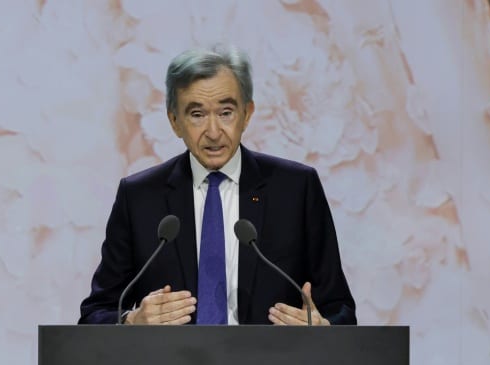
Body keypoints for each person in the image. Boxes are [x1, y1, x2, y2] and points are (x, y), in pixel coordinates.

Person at [79, 45, 356, 326]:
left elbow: (340, 310)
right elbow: (94, 314)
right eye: (197, 114)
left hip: (270, 355)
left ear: (247, 114)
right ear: (174, 121)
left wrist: (323, 328)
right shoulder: (139, 197)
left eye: (226, 112)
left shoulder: (296, 190)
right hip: (173, 356)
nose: (213, 132)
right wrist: (130, 321)